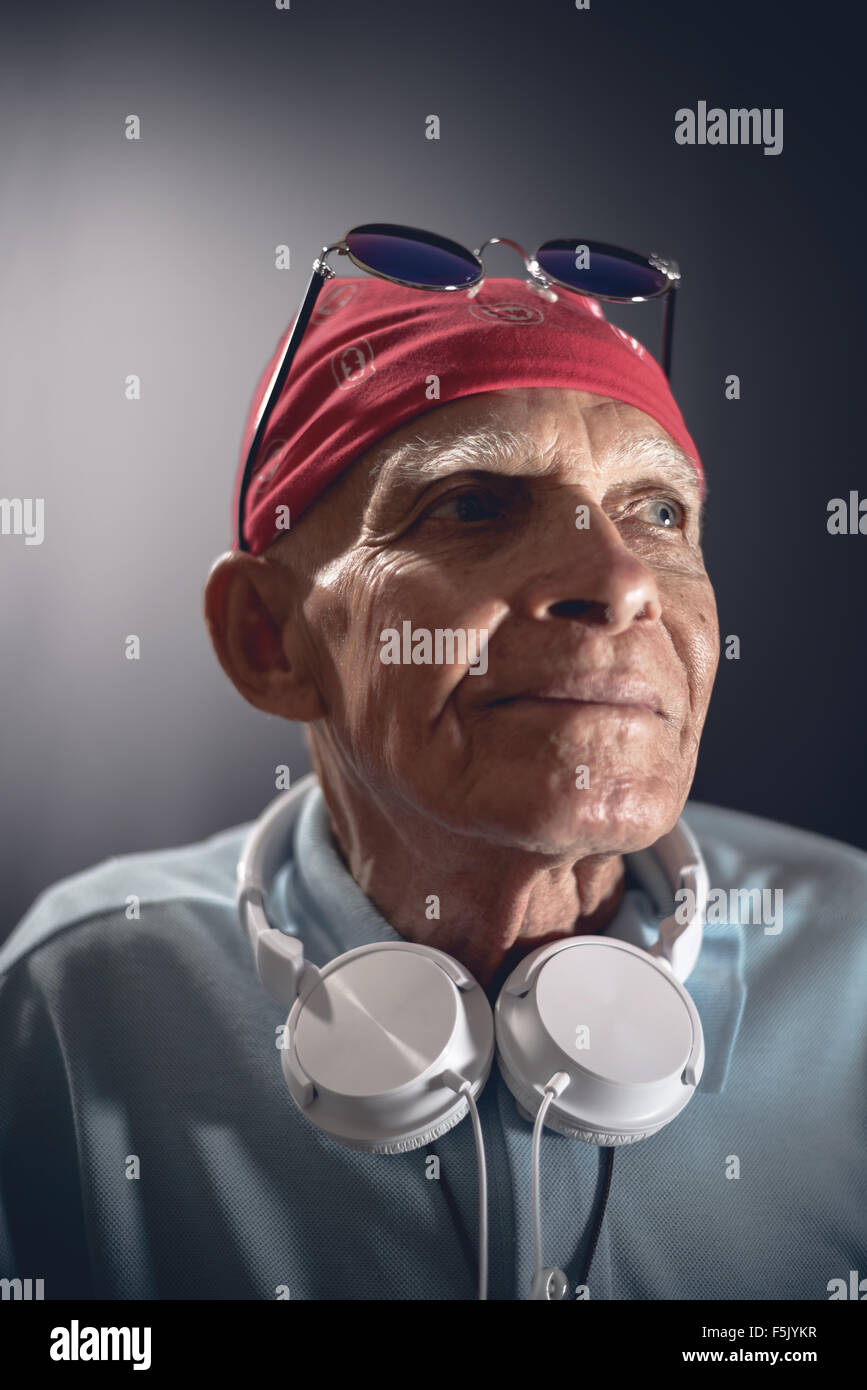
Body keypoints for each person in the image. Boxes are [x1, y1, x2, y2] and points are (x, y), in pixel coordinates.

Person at [1, 263, 865, 1302]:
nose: (622, 578)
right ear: (270, 639)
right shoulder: (82, 996)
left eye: (661, 514)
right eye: (470, 505)